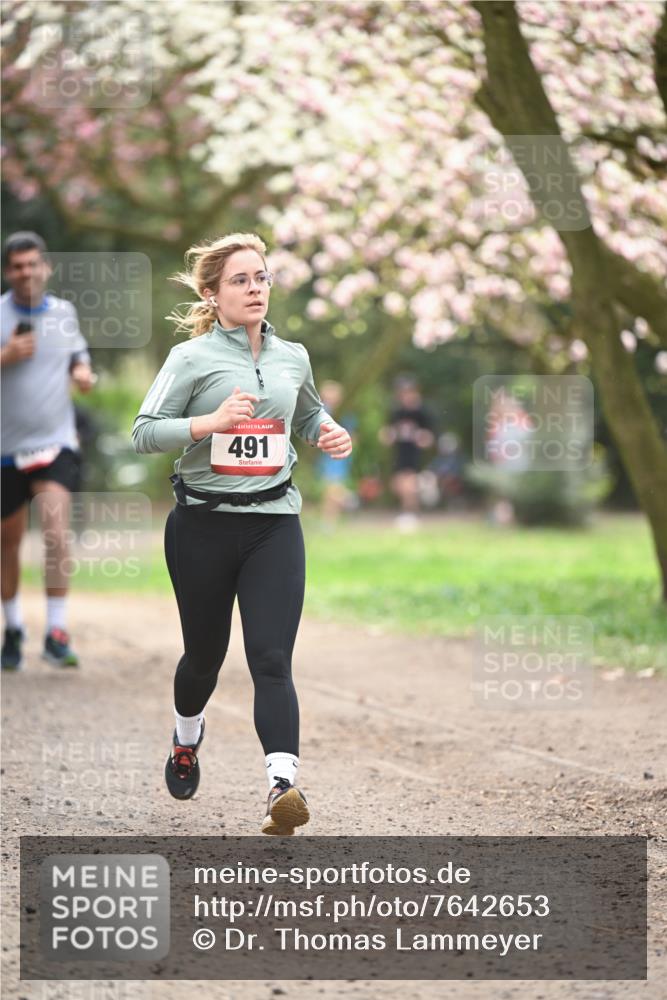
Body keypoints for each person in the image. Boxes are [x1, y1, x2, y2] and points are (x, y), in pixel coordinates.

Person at [132, 233, 352, 836]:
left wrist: (328, 430)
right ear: (213, 293)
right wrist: (209, 423)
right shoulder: (191, 359)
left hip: (274, 523)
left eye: (262, 278)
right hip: (201, 525)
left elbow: (305, 412)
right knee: (205, 655)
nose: (256, 289)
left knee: (272, 657)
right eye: (241, 280)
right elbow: (144, 432)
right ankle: (185, 738)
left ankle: (282, 786)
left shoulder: (293, 356)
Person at [1, 232, 95, 671]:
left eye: (32, 264)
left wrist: (82, 372)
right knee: (9, 542)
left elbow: (78, 353)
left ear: (46, 268)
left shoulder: (64, 313)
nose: (26, 272)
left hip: (55, 442)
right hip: (5, 449)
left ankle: (56, 631)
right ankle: (14, 627)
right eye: (17, 266)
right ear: (8, 272)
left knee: (56, 533)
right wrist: (6, 355)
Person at [379, 374, 435, 532]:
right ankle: (413, 510)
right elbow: (387, 433)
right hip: (400, 453)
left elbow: (430, 438)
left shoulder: (423, 412)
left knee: (407, 486)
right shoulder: (397, 412)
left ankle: (410, 516)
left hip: (415, 455)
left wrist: (422, 437)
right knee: (397, 486)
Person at [316, 380, 356, 529]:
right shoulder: (325, 411)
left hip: (336, 458)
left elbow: (352, 436)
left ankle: (349, 500)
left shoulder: (339, 414)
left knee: (332, 490)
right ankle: (329, 522)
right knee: (329, 491)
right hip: (327, 456)